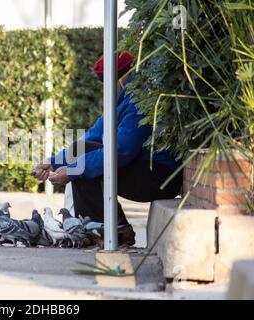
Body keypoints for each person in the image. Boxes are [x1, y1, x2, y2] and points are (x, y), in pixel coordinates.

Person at [31, 51, 182, 247]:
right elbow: (91, 137)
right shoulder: (121, 100)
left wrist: (71, 170)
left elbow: (121, 151)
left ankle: (107, 230)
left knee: (82, 168)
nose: (106, 90)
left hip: (160, 176)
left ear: (120, 78)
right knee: (83, 152)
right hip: (143, 168)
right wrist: (52, 163)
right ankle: (111, 229)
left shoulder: (139, 101)